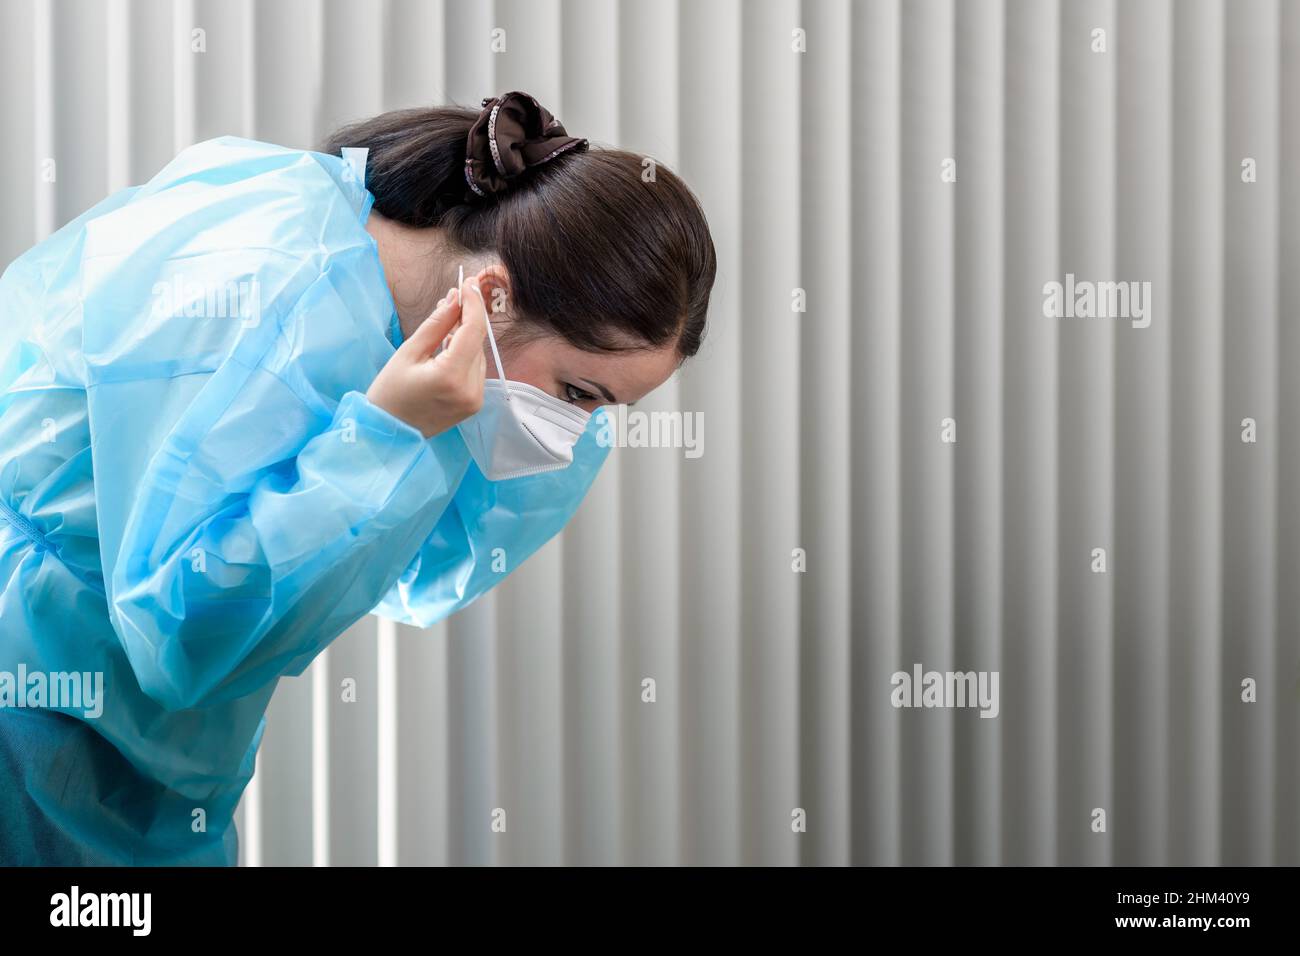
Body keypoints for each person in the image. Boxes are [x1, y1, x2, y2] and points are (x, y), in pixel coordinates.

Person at [0, 91, 716, 864]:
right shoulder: (263, 275)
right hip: (33, 690)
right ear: (493, 295)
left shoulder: (440, 357)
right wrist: (385, 437)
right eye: (579, 395)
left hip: (162, 753)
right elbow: (180, 635)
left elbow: (422, 573)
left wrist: (405, 433)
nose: (576, 433)